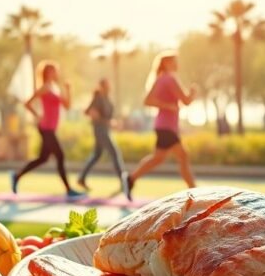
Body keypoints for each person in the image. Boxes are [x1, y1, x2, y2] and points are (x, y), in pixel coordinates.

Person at [127, 51, 197, 198]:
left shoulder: (162, 79)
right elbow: (185, 101)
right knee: (183, 155)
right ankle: (194, 192)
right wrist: (190, 94)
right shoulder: (169, 79)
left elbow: (149, 101)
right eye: (174, 61)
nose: (177, 64)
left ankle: (131, 179)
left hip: (164, 126)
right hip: (166, 127)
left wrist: (171, 104)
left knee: (158, 158)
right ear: (166, 63)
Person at [9, 62, 84, 198]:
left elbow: (67, 106)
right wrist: (38, 115)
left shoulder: (55, 88)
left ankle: (16, 176)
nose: (57, 73)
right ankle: (68, 190)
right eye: (54, 71)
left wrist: (68, 90)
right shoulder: (44, 88)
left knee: (43, 158)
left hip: (51, 128)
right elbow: (27, 103)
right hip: (45, 127)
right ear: (48, 73)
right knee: (60, 155)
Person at [76, 78, 127, 194]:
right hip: (100, 130)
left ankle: (81, 178)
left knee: (97, 155)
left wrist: (112, 123)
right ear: (102, 86)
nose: (109, 87)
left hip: (105, 130)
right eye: (107, 85)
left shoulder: (107, 99)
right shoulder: (98, 98)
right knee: (115, 153)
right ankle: (124, 181)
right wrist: (107, 122)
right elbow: (91, 112)